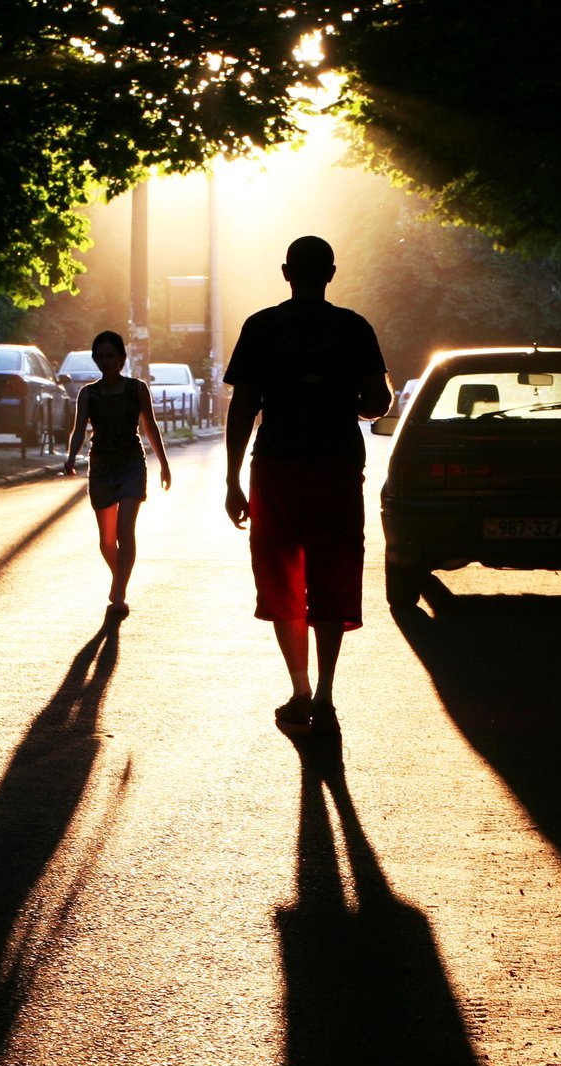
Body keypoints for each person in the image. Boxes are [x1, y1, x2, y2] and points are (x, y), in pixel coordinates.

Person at [224, 236, 392, 735]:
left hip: (277, 468)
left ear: (286, 272)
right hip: (337, 467)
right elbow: (377, 401)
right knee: (332, 574)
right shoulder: (354, 328)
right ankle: (326, 692)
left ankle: (299, 690)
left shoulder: (261, 327)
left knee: (281, 576)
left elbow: (243, 406)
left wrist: (233, 479)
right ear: (331, 273)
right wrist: (348, 402)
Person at [64, 330, 172, 617]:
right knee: (107, 540)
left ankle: (119, 592)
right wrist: (71, 457)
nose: (106, 361)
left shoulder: (136, 389)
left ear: (122, 358)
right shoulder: (88, 394)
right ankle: (120, 576)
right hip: (101, 467)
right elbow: (79, 430)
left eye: (111, 356)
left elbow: (150, 427)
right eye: (100, 357)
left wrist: (164, 464)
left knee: (125, 531)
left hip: (131, 465)